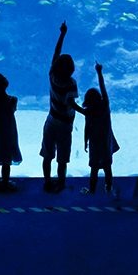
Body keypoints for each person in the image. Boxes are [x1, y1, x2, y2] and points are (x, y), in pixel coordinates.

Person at [39, 20, 77, 193]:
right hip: (64, 125)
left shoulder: (52, 76)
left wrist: (62, 34)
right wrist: (86, 111)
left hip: (51, 121)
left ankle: (47, 182)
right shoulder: (71, 83)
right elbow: (71, 104)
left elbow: (56, 54)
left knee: (47, 155)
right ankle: (61, 183)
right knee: (62, 158)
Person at [74, 62, 119, 198]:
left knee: (94, 168)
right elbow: (103, 88)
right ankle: (109, 187)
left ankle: (92, 190)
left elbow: (76, 109)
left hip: (94, 144)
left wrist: (85, 142)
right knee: (107, 167)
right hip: (106, 143)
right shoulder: (105, 106)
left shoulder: (88, 112)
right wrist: (99, 72)